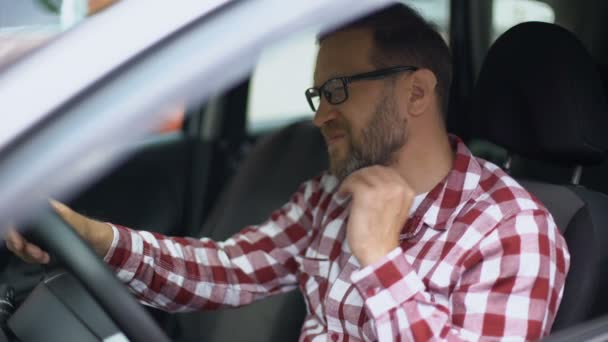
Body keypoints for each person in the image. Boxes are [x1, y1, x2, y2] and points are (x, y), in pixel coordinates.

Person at [5, 4, 569, 341]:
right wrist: (92, 236)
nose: (321, 114)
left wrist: (380, 258)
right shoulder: (331, 196)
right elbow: (227, 270)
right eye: (317, 94)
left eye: (337, 91)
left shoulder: (513, 231)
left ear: (416, 91)